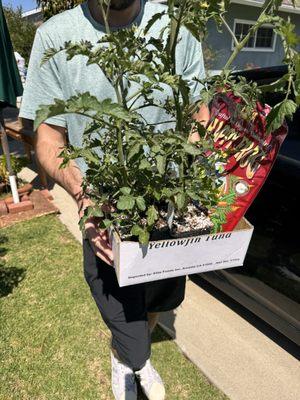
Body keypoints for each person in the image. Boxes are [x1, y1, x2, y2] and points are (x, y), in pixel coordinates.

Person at [19, 1, 209, 399]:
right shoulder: (54, 36)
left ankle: (130, 354)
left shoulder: (175, 30)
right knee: (120, 309)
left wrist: (193, 171)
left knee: (161, 297)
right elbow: (48, 138)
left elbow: (198, 118)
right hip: (105, 211)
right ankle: (129, 358)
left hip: (167, 210)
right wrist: (84, 196)